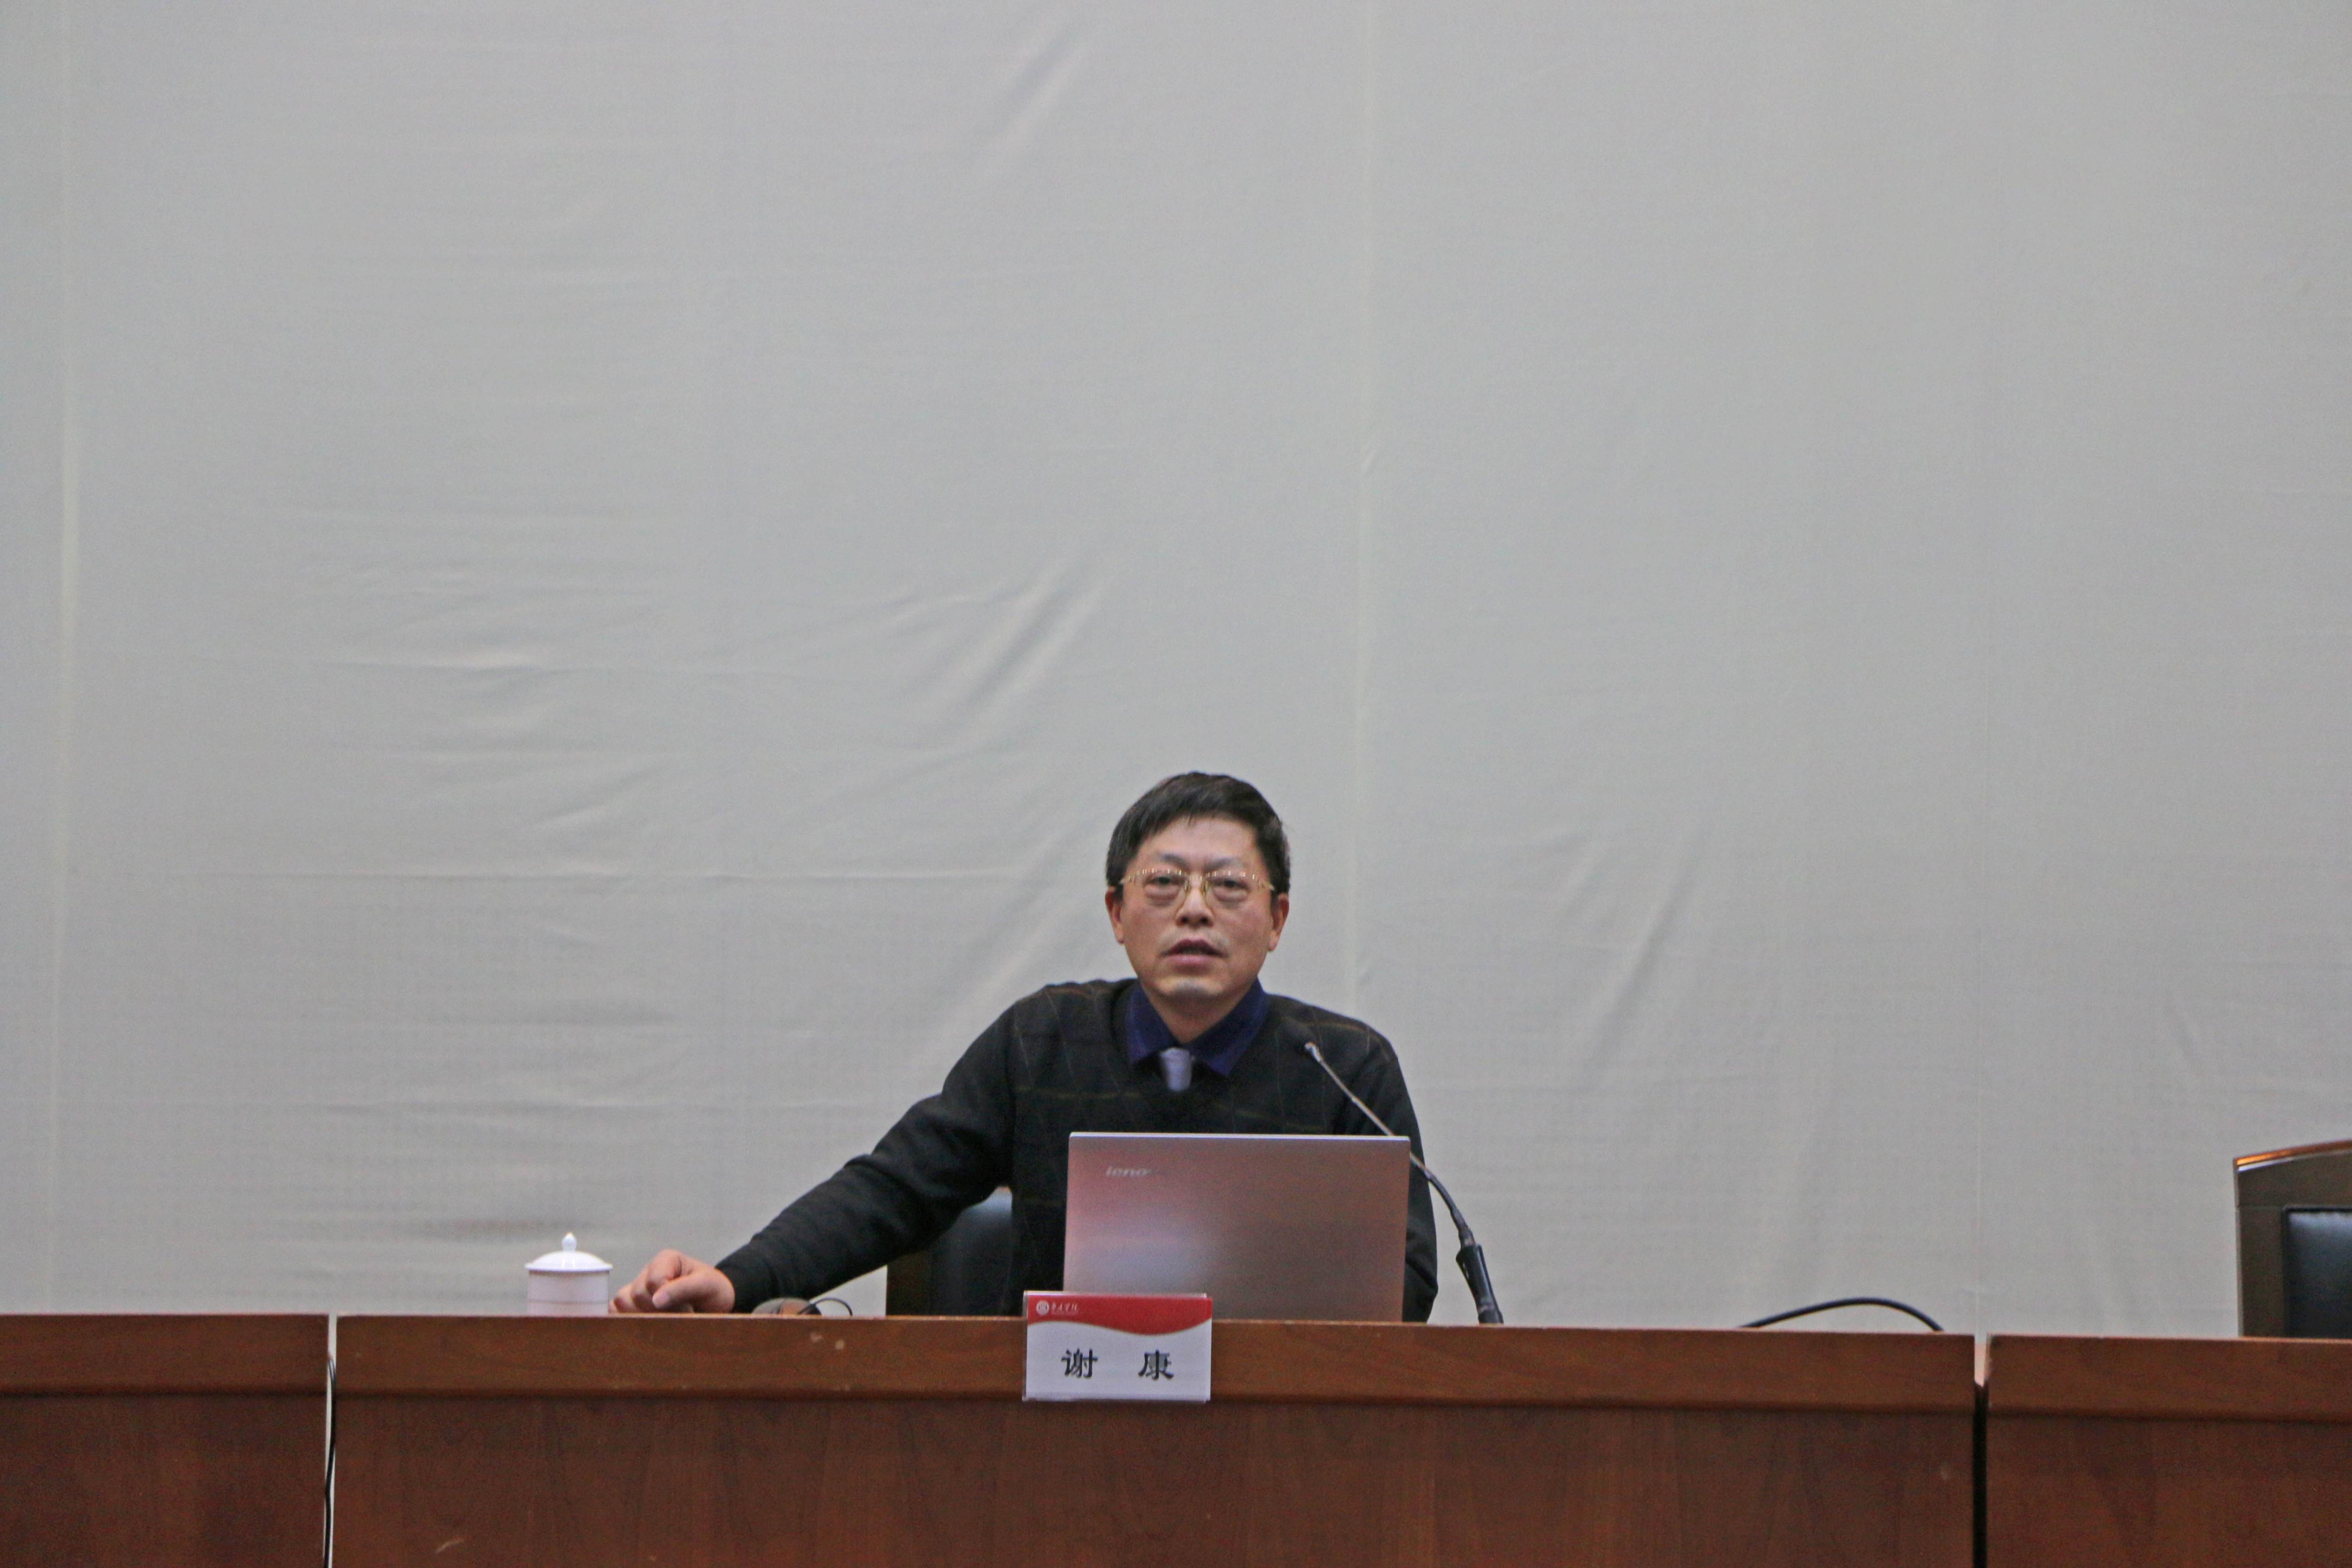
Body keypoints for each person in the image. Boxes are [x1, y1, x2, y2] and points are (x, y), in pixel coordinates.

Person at [612, 772, 1439, 1319]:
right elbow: (895, 1188)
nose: (1194, 908)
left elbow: (1405, 1277)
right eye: (1163, 882)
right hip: (1054, 1429)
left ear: (1277, 918)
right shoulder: (1043, 1041)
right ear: (1116, 914)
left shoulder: (1343, 1067)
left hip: (1277, 1433)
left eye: (1227, 885)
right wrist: (741, 1278)